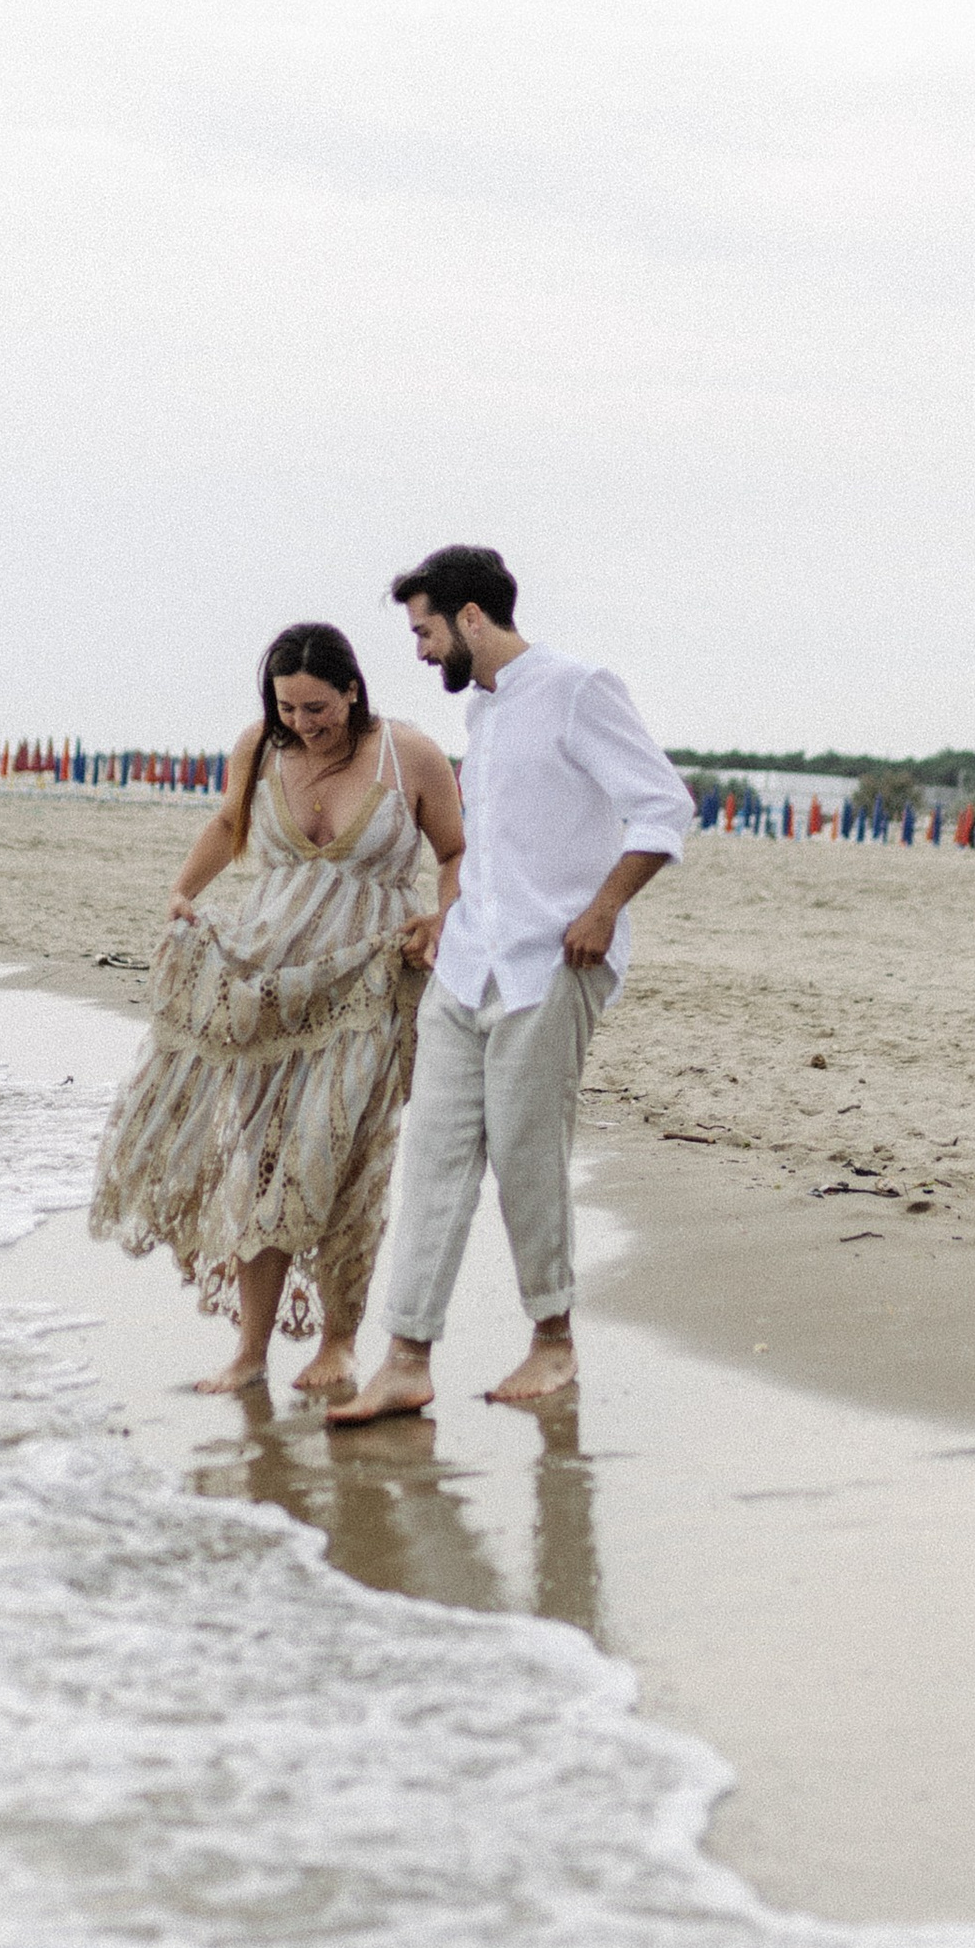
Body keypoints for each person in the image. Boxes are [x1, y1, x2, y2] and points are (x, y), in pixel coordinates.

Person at [329, 547, 692, 1422]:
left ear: (471, 617)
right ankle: (407, 1357)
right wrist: (448, 916)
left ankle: (553, 1342)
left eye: (424, 630)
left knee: (528, 1160)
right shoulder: (485, 714)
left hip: (550, 965)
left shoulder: (577, 687)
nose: (419, 651)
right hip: (467, 966)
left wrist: (604, 908)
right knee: (435, 1158)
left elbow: (665, 805)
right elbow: (497, 850)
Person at [90, 622, 463, 1398]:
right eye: (288, 707)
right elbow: (229, 826)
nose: (303, 722)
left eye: (317, 707)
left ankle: (337, 1343)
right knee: (267, 1161)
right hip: (269, 982)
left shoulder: (410, 754)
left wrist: (444, 918)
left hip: (366, 984)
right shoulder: (261, 746)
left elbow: (456, 852)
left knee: (339, 1158)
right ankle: (250, 1352)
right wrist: (182, 891)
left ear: (353, 689)